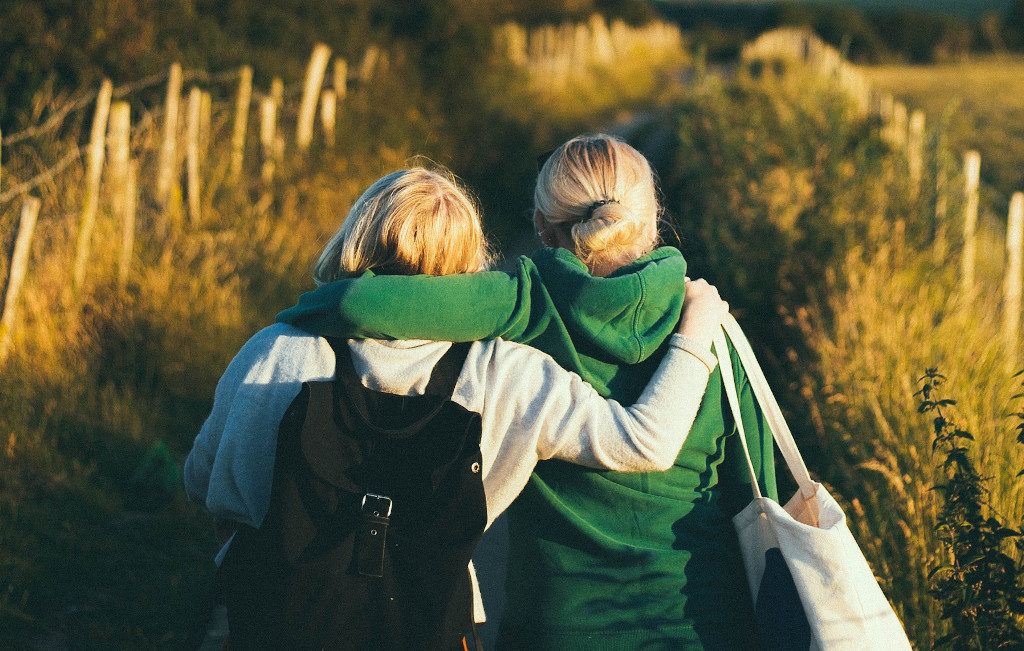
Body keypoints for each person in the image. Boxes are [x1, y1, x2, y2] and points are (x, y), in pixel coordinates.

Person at [185, 167, 730, 648]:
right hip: (432, 624)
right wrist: (698, 329)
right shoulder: (508, 373)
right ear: (472, 263)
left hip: (281, 621)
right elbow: (646, 441)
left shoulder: (279, 348)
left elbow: (205, 479)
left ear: (354, 238)